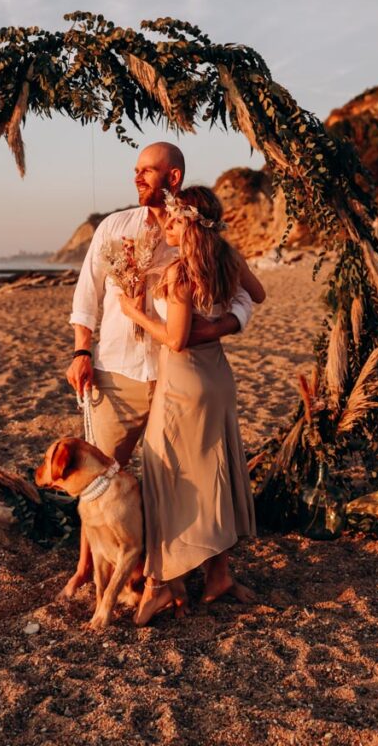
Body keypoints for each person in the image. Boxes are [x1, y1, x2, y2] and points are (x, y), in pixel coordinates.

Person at [62, 142, 255, 599]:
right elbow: (86, 294)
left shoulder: (191, 231)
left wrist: (220, 328)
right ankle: (87, 569)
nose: (137, 177)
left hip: (176, 375)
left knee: (195, 474)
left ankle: (195, 574)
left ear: (172, 177)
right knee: (99, 477)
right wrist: (81, 352)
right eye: (135, 169)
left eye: (146, 170)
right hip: (119, 371)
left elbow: (243, 293)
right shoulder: (114, 227)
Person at [119, 185, 265, 625]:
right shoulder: (226, 259)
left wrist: (135, 312)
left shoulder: (180, 273)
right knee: (215, 470)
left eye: (173, 218)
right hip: (218, 378)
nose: (166, 223)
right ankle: (217, 576)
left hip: (183, 384)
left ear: (188, 222)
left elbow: (177, 340)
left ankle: (161, 584)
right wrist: (228, 322)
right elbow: (256, 294)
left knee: (166, 474)